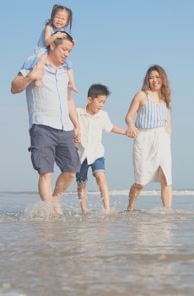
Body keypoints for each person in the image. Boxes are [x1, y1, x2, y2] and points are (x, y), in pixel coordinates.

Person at [11, 31, 81, 216]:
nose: (66, 54)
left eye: (69, 51)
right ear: (52, 45)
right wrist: (30, 77)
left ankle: (55, 199)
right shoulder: (35, 61)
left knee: (71, 170)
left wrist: (77, 124)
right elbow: (14, 87)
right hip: (42, 125)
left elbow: (69, 100)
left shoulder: (66, 70)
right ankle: (49, 212)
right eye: (64, 49)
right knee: (46, 172)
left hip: (65, 127)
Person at [125, 65, 173, 212]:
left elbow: (168, 125)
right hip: (144, 138)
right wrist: (131, 126)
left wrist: (167, 140)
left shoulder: (166, 99)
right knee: (141, 181)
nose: (155, 80)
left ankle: (167, 212)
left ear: (163, 79)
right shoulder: (141, 95)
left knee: (166, 178)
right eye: (151, 77)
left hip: (162, 139)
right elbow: (129, 117)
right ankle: (130, 209)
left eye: (157, 77)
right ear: (147, 80)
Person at [76, 84, 129, 214]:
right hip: (80, 154)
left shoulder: (103, 115)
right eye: (99, 102)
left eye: (104, 102)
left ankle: (107, 209)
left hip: (96, 153)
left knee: (101, 177)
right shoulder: (78, 113)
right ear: (89, 99)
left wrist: (125, 132)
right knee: (81, 183)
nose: (101, 105)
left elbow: (110, 128)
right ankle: (83, 209)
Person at [22, 4, 78, 93]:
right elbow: (47, 41)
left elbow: (64, 41)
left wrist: (72, 41)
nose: (59, 20)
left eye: (63, 19)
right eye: (57, 17)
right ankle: (37, 79)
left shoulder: (62, 30)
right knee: (42, 60)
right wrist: (56, 35)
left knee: (69, 65)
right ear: (52, 17)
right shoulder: (48, 27)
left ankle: (71, 83)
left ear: (67, 22)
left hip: (53, 51)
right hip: (43, 50)